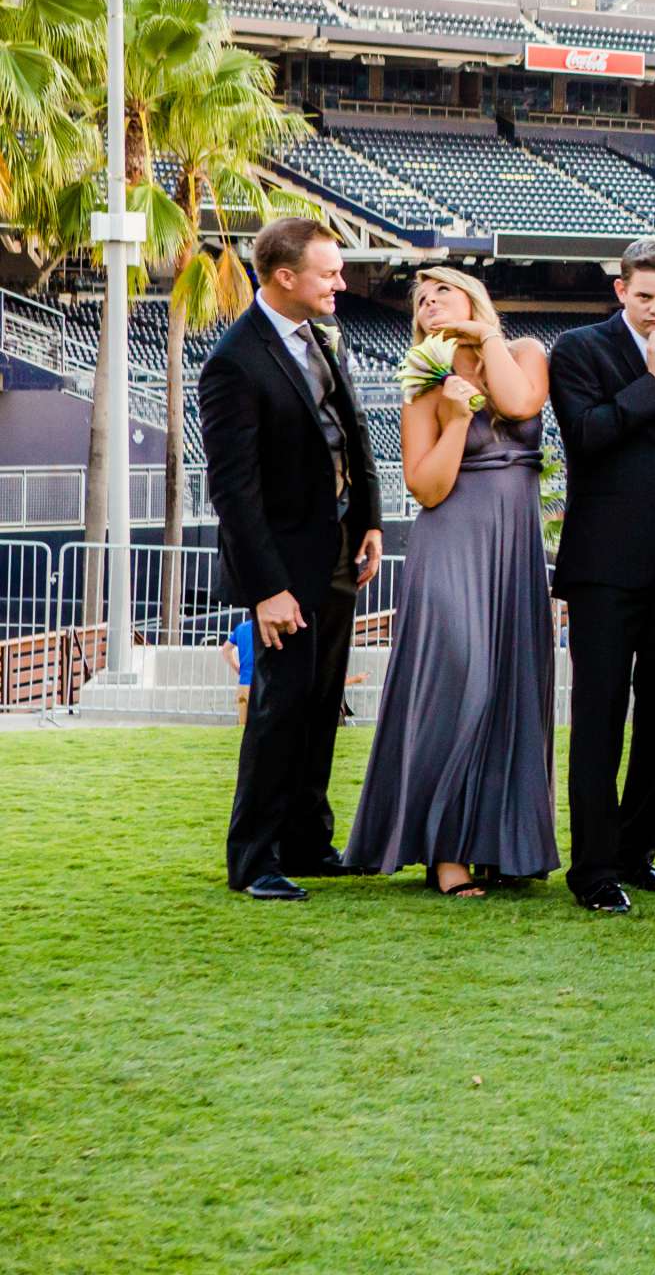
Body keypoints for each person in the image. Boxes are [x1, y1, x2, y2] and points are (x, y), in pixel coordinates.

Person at [344, 268, 556, 898]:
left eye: (442, 292)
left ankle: (501, 844)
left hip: (514, 543)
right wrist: (459, 418)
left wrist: (483, 338)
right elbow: (426, 487)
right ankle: (445, 852)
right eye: (421, 298)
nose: (430, 302)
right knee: (461, 678)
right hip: (453, 540)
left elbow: (520, 405)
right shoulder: (422, 382)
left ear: (472, 299)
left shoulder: (524, 353)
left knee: (513, 685)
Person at [198, 216, 383, 901]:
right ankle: (253, 860)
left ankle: (307, 841)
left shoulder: (320, 338)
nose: (341, 282)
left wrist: (369, 522)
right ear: (285, 277)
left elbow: (352, 433)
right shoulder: (234, 362)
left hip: (338, 549)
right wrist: (268, 591)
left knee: (322, 700)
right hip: (284, 568)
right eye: (329, 272)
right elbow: (234, 493)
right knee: (280, 708)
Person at [549, 237, 655, 915]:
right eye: (643, 295)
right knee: (599, 717)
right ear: (621, 291)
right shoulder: (579, 350)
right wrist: (651, 381)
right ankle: (592, 870)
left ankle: (636, 850)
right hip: (603, 566)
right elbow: (587, 435)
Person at [220, 621, 254, 728]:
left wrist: (238, 669)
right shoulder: (272, 626)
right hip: (265, 683)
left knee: (242, 728)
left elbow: (226, 649)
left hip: (244, 684)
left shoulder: (242, 628)